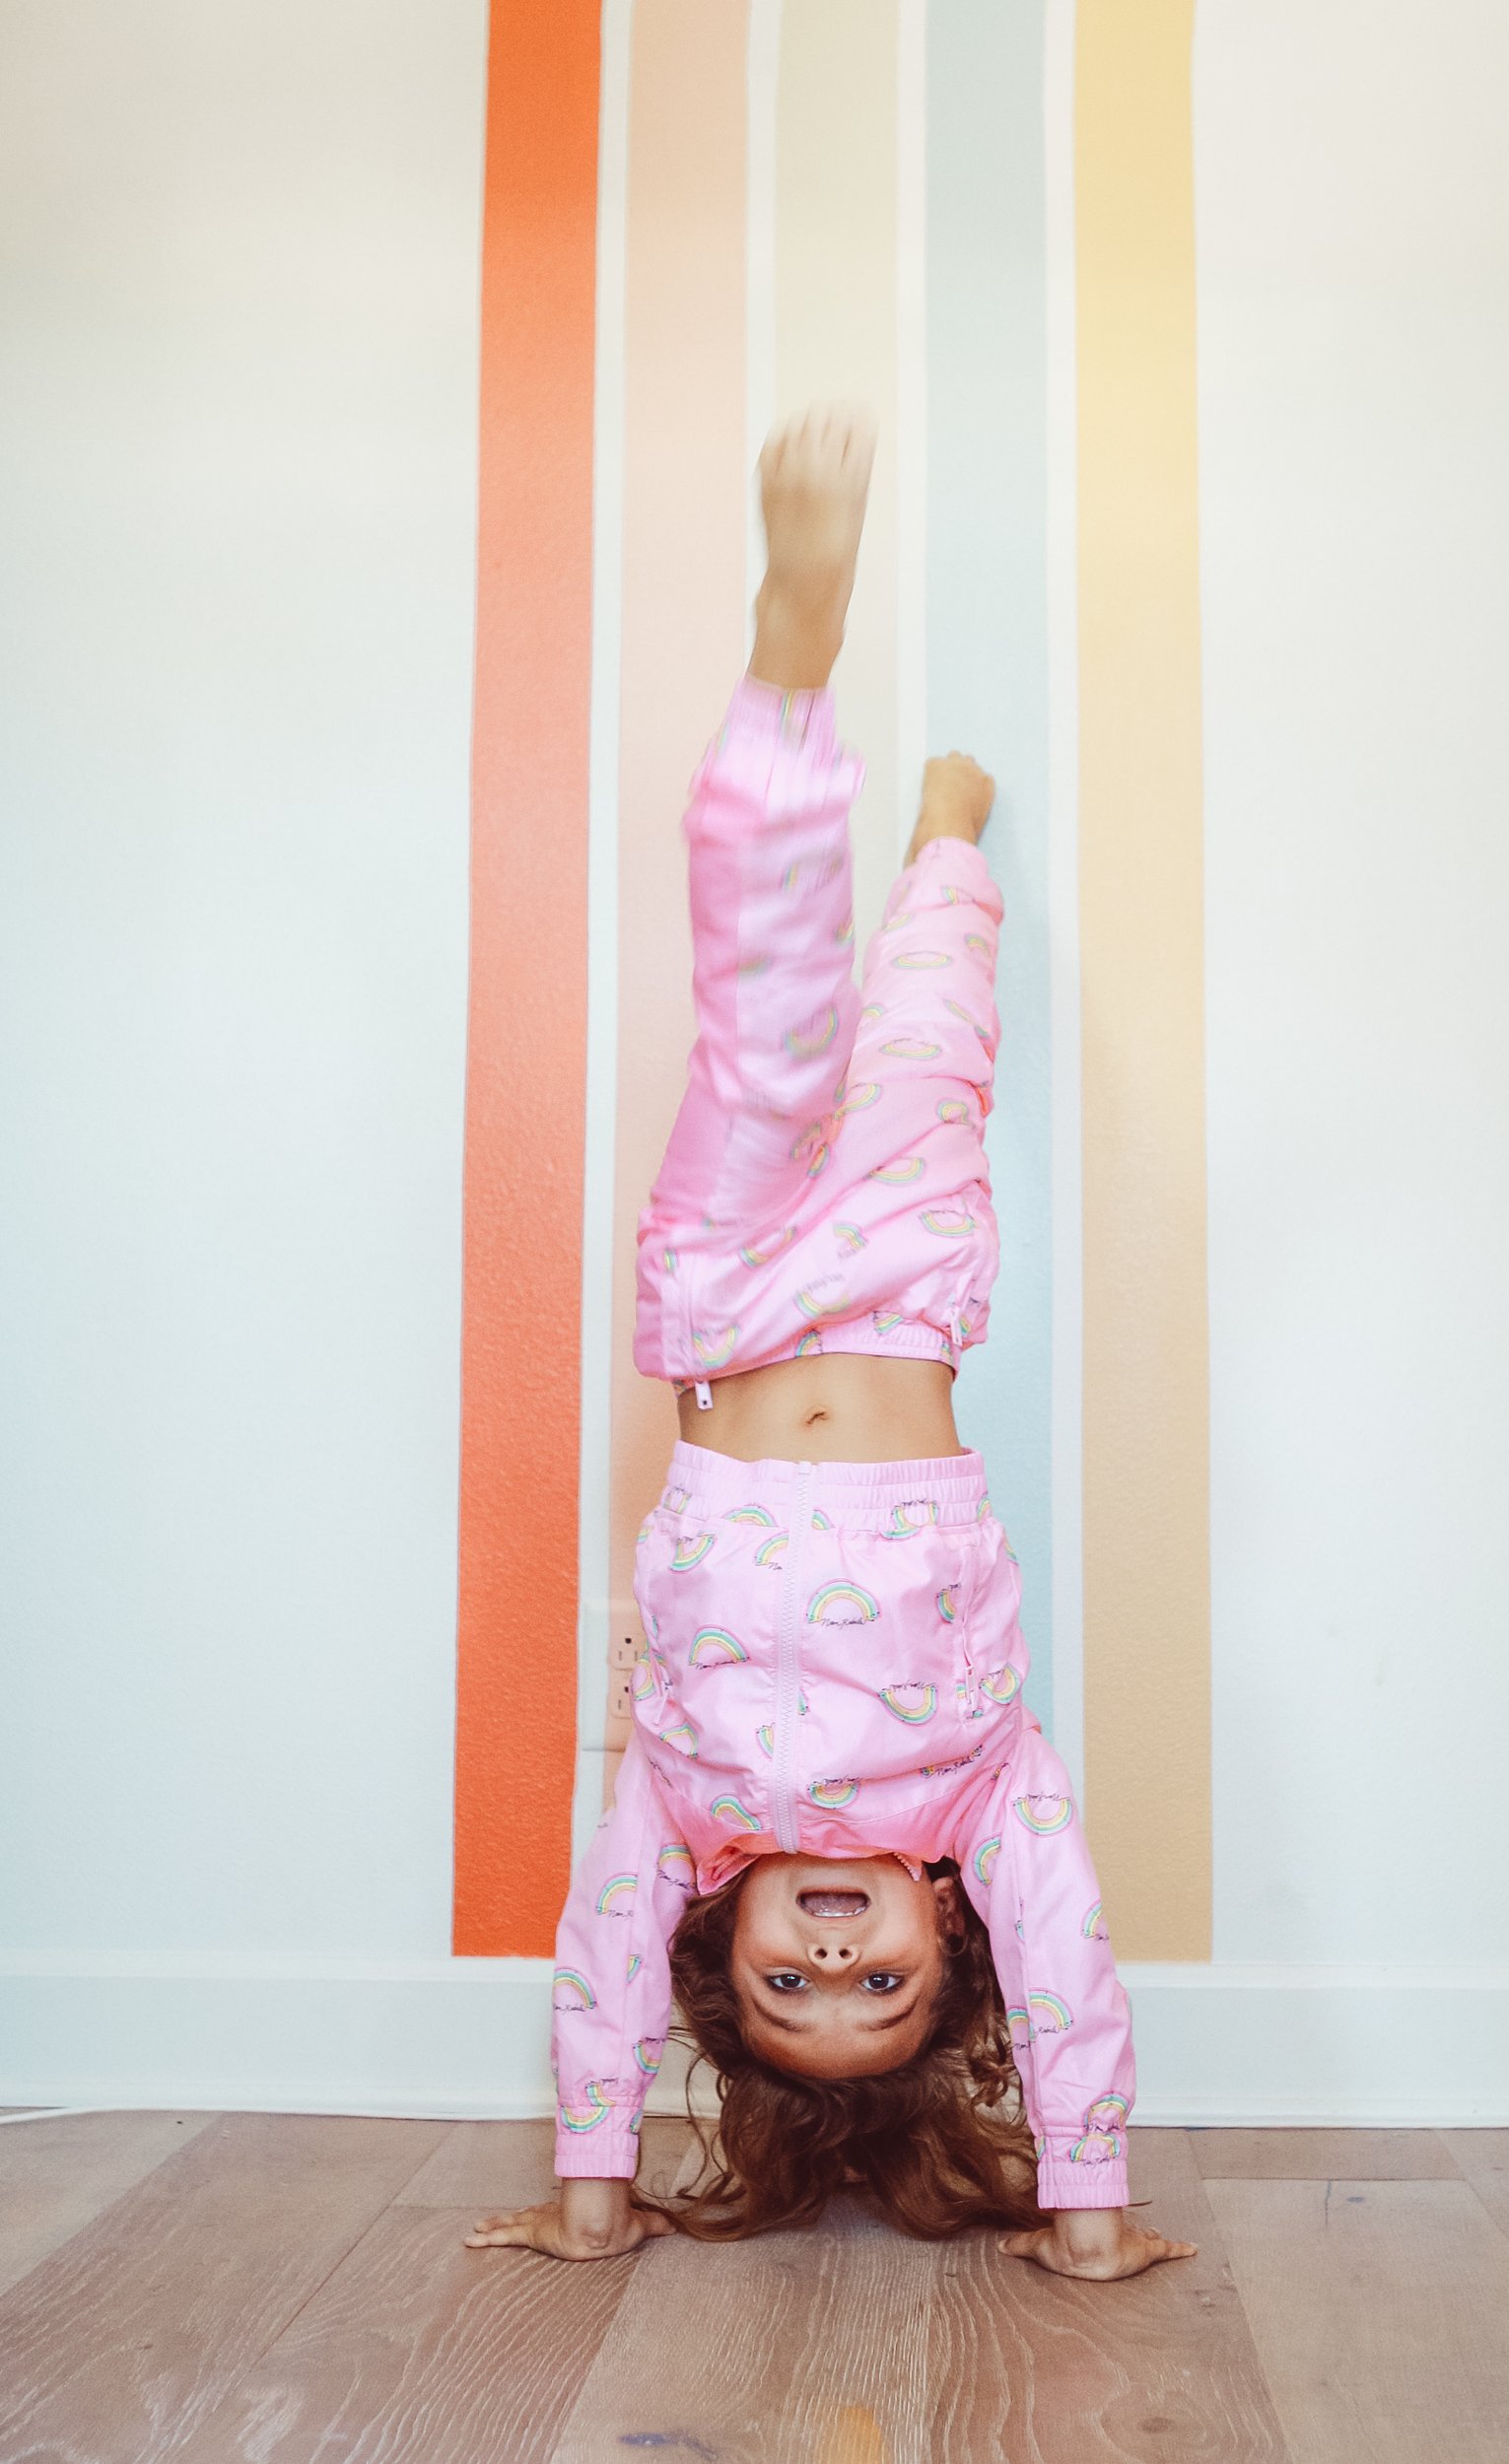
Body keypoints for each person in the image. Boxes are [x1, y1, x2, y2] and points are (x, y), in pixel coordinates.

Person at [465, 406, 1197, 2282]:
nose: (837, 1951)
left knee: (775, 1040)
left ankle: (789, 692)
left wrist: (590, 2185)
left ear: (730, 1945)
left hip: (722, 1305)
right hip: (902, 1293)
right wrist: (1092, 2206)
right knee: (939, 1027)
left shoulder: (683, 1808)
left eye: (795, 1983)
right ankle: (949, 828)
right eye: (882, 1982)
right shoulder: (984, 1791)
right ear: (954, 1945)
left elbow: (602, 1951)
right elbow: (1077, 1954)